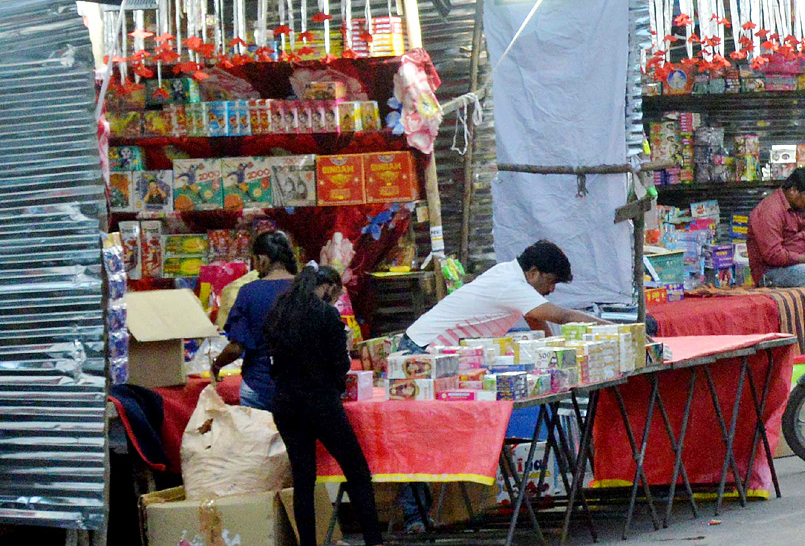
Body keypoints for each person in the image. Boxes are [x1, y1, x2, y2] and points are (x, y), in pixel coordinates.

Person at [264, 264, 382, 546]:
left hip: (286, 405)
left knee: (304, 479)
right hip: (320, 403)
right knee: (356, 471)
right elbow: (340, 364)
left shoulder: (279, 313)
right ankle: (374, 541)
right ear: (328, 288)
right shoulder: (326, 315)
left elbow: (273, 364)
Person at [400, 240, 608, 352]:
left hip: (427, 344)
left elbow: (536, 320)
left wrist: (554, 355)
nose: (552, 289)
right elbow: (563, 317)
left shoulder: (509, 273)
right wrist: (614, 328)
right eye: (551, 281)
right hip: (423, 348)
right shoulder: (512, 285)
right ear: (533, 272)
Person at [210, 230, 297, 410]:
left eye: (254, 261)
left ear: (263, 259)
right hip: (301, 388)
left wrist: (216, 365)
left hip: (259, 387)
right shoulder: (306, 288)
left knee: (258, 437)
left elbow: (236, 348)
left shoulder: (249, 292)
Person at [746, 167, 805, 287]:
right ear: (793, 190)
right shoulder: (770, 210)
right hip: (772, 272)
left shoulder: (802, 207)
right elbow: (773, 256)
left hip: (802, 264)